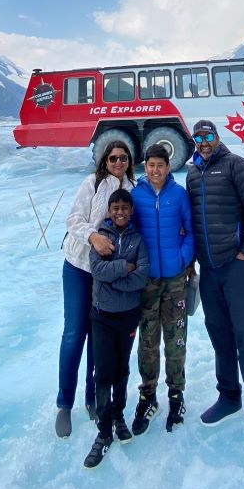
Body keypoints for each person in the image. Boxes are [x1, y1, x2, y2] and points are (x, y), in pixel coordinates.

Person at [185, 119, 244, 455]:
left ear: (217, 137)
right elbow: (193, 221)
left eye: (208, 136)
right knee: (220, 339)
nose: (204, 142)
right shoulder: (193, 174)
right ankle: (228, 397)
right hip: (208, 271)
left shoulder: (237, 165)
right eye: (198, 137)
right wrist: (191, 259)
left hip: (236, 269)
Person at [55, 140, 136, 439]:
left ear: (129, 161)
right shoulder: (92, 183)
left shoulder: (132, 188)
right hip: (78, 266)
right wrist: (93, 237)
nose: (118, 162)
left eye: (123, 158)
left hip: (105, 274)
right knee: (74, 333)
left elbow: (136, 222)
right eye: (113, 158)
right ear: (105, 160)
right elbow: (73, 219)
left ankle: (93, 396)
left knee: (97, 336)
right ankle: (64, 403)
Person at [130, 143, 195, 435]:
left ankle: (176, 394)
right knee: (148, 339)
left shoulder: (179, 195)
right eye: (151, 165)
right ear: (146, 166)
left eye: (161, 165)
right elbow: (129, 231)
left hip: (175, 279)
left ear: (168, 167)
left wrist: (182, 258)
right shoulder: (136, 195)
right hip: (147, 281)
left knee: (175, 336)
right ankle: (148, 395)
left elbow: (190, 230)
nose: (155, 170)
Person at [84, 189, 150, 469]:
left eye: (125, 208)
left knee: (122, 369)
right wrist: (125, 266)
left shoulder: (138, 239)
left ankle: (119, 416)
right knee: (103, 372)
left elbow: (142, 277)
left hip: (127, 316)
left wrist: (116, 278)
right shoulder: (101, 237)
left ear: (131, 211)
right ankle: (103, 430)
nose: (120, 212)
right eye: (116, 208)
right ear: (109, 211)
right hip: (102, 315)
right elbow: (98, 271)